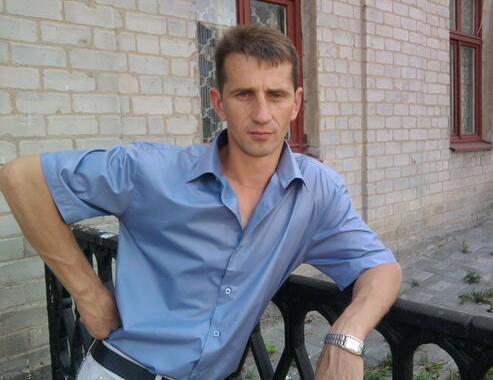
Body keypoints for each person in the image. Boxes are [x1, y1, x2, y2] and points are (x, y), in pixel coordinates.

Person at [0, 24, 402, 380]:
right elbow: (21, 179)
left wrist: (346, 335)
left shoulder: (316, 190)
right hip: (124, 370)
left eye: (276, 95)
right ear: (218, 101)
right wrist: (88, 294)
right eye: (244, 94)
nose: (262, 114)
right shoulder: (150, 170)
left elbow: (380, 267)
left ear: (295, 103)